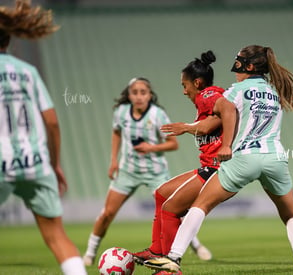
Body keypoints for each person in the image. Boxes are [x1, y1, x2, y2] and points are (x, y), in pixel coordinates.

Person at [144, 45, 293, 274]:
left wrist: (221, 142)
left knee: (200, 205)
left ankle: (173, 258)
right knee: (290, 215)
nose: (235, 69)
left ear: (245, 66)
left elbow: (222, 115)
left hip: (244, 157)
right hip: (275, 158)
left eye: (237, 63)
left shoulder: (236, 90)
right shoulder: (274, 91)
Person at [0, 1, 87, 274]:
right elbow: (51, 121)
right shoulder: (28, 71)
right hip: (36, 162)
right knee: (57, 237)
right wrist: (54, 163)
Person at [133, 50, 231, 275]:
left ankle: (169, 269)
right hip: (208, 167)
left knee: (170, 209)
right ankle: (157, 251)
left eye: (184, 85)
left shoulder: (207, 95)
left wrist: (185, 127)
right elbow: (212, 122)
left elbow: (225, 108)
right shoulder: (205, 102)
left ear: (197, 82)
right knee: (161, 193)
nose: (184, 90)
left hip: (217, 169)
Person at [82, 77, 180, 265]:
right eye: (135, 92)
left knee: (172, 212)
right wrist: (113, 161)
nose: (139, 96)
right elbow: (116, 133)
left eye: (143, 92)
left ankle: (191, 247)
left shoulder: (158, 115)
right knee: (107, 213)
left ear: (150, 95)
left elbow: (173, 144)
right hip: (128, 171)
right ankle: (90, 253)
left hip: (155, 172)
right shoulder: (121, 113)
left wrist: (150, 147)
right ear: (129, 95)